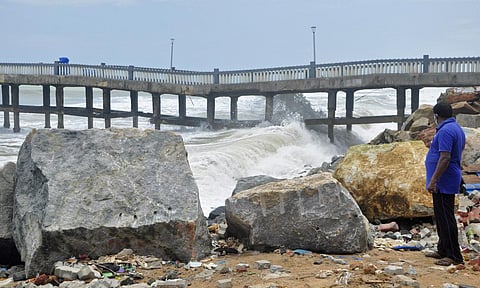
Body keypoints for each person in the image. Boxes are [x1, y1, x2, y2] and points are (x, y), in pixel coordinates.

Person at [425, 102, 466, 266]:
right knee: (441, 216)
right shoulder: (454, 128)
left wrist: (434, 179)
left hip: (444, 179)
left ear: (437, 116)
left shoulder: (446, 131)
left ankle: (454, 255)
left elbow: (445, 157)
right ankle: (442, 249)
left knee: (446, 217)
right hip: (446, 178)